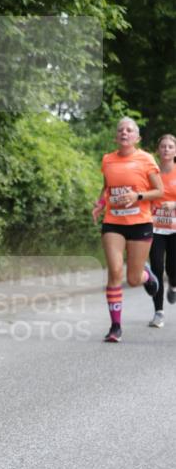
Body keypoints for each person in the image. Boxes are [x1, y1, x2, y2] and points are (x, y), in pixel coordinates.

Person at [92, 117, 163, 343]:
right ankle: (115, 327)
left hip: (140, 223)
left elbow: (159, 191)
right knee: (114, 272)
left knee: (133, 279)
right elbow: (107, 188)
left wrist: (137, 196)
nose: (124, 132)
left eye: (129, 130)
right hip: (113, 222)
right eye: (121, 130)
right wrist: (100, 204)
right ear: (116, 136)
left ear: (137, 137)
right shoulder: (108, 160)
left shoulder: (146, 159)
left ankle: (146, 275)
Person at [148, 134, 176, 328]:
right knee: (156, 267)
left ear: (175, 151)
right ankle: (158, 312)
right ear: (158, 150)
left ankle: (173, 285)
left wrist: (174, 204)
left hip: (175, 229)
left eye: (170, 146)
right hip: (155, 227)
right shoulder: (152, 173)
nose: (166, 149)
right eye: (163, 146)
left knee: (173, 268)